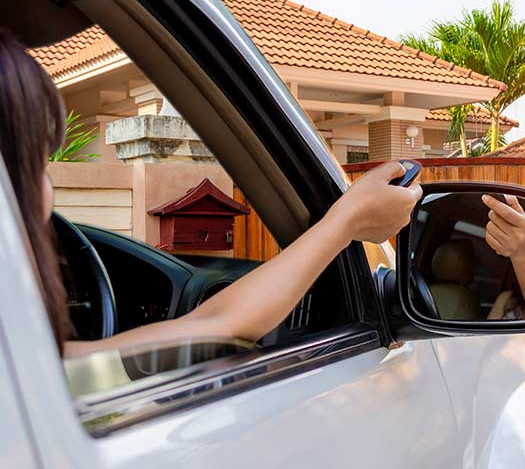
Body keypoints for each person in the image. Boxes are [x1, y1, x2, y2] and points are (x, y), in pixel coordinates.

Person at [0, 30, 422, 358]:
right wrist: (346, 221)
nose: (48, 190)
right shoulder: (30, 380)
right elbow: (221, 324)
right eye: (35, 164)